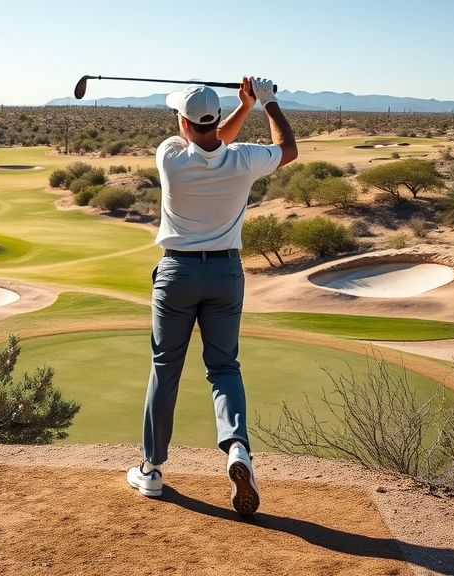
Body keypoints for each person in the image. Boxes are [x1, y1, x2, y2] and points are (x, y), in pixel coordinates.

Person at [126, 77, 297, 516]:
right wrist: (265, 102)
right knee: (224, 367)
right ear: (217, 119)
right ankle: (237, 448)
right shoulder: (244, 160)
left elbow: (207, 141)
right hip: (225, 272)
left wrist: (240, 109)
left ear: (182, 123)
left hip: (177, 272)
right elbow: (287, 149)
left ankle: (152, 468)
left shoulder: (170, 155)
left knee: (166, 366)